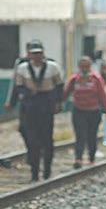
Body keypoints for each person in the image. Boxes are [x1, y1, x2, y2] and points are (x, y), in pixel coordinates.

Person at [4, 40, 64, 181]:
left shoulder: (52, 67)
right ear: (29, 54)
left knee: (47, 139)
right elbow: (18, 87)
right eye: (34, 53)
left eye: (39, 53)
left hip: (46, 105)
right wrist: (18, 99)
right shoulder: (22, 68)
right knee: (32, 140)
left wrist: (58, 102)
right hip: (30, 106)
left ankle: (47, 170)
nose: (37, 56)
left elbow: (59, 86)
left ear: (43, 53)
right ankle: (34, 172)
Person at [63, 56, 106, 169]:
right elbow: (66, 93)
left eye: (87, 66)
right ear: (79, 67)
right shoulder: (74, 79)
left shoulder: (96, 79)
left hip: (93, 111)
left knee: (92, 136)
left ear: (90, 66)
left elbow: (102, 96)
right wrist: (58, 103)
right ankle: (78, 158)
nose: (84, 69)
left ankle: (91, 158)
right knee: (80, 135)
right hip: (79, 111)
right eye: (82, 66)